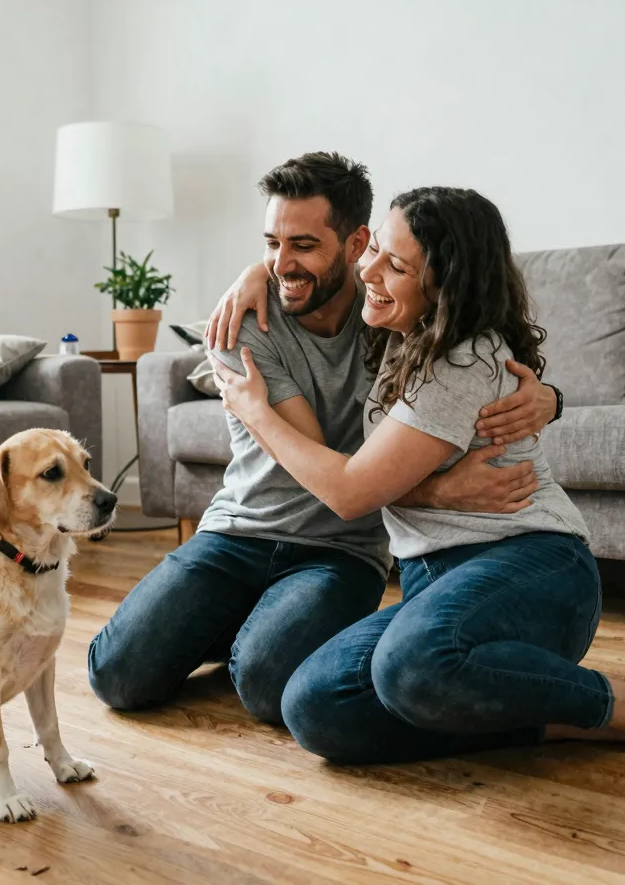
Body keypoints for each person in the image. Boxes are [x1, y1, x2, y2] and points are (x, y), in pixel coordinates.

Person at [211, 185, 625, 768]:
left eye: (395, 265)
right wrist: (256, 272)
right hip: (436, 583)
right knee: (316, 706)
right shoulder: (398, 332)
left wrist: (256, 413)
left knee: (411, 666)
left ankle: (619, 702)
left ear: (445, 286)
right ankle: (557, 721)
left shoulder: (460, 360)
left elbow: (350, 492)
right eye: (375, 252)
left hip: (531, 571)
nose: (368, 269)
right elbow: (317, 274)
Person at [87, 153, 556, 724]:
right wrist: (439, 493)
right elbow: (328, 466)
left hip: (341, 551)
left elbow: (475, 353)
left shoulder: (392, 309)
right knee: (116, 676)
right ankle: (231, 622)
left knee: (265, 686)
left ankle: (233, 633)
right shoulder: (243, 322)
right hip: (239, 532)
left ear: (358, 243)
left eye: (304, 245)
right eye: (271, 243)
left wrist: (551, 398)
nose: (282, 263)